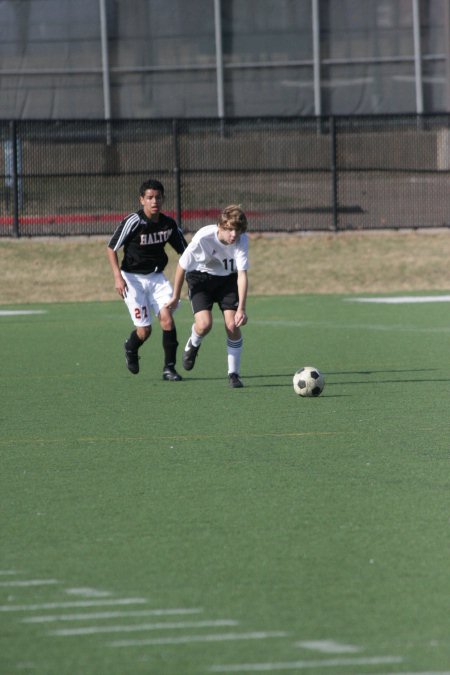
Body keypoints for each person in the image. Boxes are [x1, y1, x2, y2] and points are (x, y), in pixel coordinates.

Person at [107, 179, 187, 381]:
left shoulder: (168, 224)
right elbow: (111, 248)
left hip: (157, 278)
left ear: (163, 199)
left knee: (167, 319)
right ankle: (131, 347)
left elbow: (186, 253)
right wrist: (118, 277)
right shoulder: (134, 221)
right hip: (132, 279)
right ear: (142, 199)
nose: (154, 201)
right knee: (145, 330)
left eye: (158, 197)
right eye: (149, 197)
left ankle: (169, 369)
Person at [165, 204, 249, 388]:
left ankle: (233, 374)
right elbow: (181, 266)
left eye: (237, 230)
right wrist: (175, 296)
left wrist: (241, 308)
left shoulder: (242, 240)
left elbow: (242, 274)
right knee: (204, 325)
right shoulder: (204, 237)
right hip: (200, 278)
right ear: (220, 226)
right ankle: (193, 343)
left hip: (227, 280)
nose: (234, 235)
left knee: (232, 325)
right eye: (229, 230)